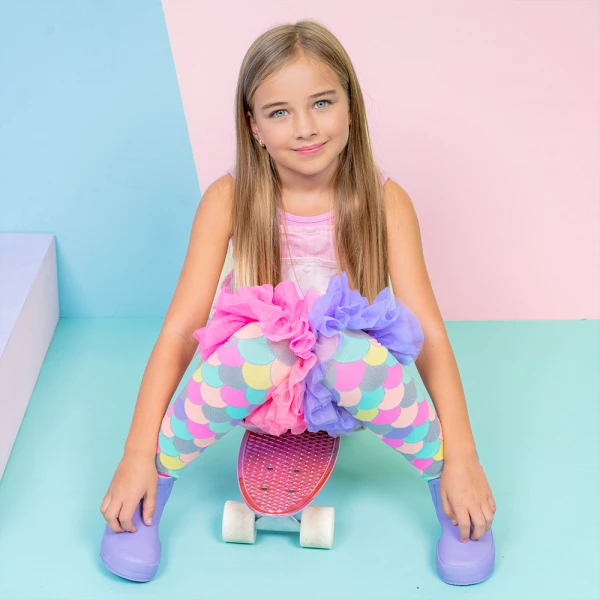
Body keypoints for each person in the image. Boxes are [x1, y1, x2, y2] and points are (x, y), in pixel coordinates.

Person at [99, 19, 496, 586]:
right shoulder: (229, 198)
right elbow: (180, 330)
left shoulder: (385, 201)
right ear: (254, 125)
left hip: (344, 389)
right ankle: (156, 481)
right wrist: (136, 453)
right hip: (259, 385)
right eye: (280, 112)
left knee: (338, 346)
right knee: (268, 341)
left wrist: (464, 457)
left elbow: (428, 334)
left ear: (351, 107)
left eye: (322, 103)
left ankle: (445, 485)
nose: (306, 128)